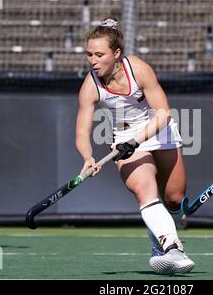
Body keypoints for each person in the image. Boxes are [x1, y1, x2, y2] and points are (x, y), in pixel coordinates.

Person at [75, 18, 194, 275]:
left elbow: (164, 114)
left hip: (158, 131)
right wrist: (87, 157)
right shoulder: (90, 86)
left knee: (174, 198)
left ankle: (157, 242)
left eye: (99, 54)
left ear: (116, 53)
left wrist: (136, 141)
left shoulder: (138, 69)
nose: (92, 61)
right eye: (88, 55)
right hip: (124, 139)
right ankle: (173, 248)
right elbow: (82, 133)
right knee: (145, 188)